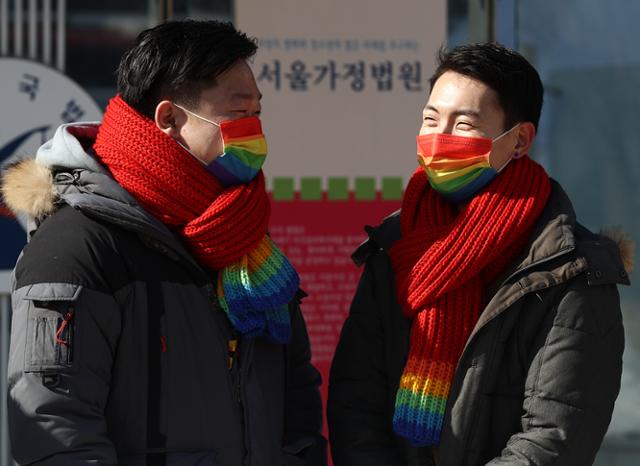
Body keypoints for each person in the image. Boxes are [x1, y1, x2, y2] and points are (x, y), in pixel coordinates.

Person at [2, 19, 325, 466]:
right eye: (238, 114)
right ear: (169, 118)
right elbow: (56, 426)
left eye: (257, 113)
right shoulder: (78, 246)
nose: (255, 131)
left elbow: (297, 402)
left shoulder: (241, 235)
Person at [328, 42, 632, 466]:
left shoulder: (569, 268)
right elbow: (356, 403)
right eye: (431, 119)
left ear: (520, 140)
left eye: (464, 124)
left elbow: (554, 438)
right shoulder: (397, 244)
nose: (439, 139)